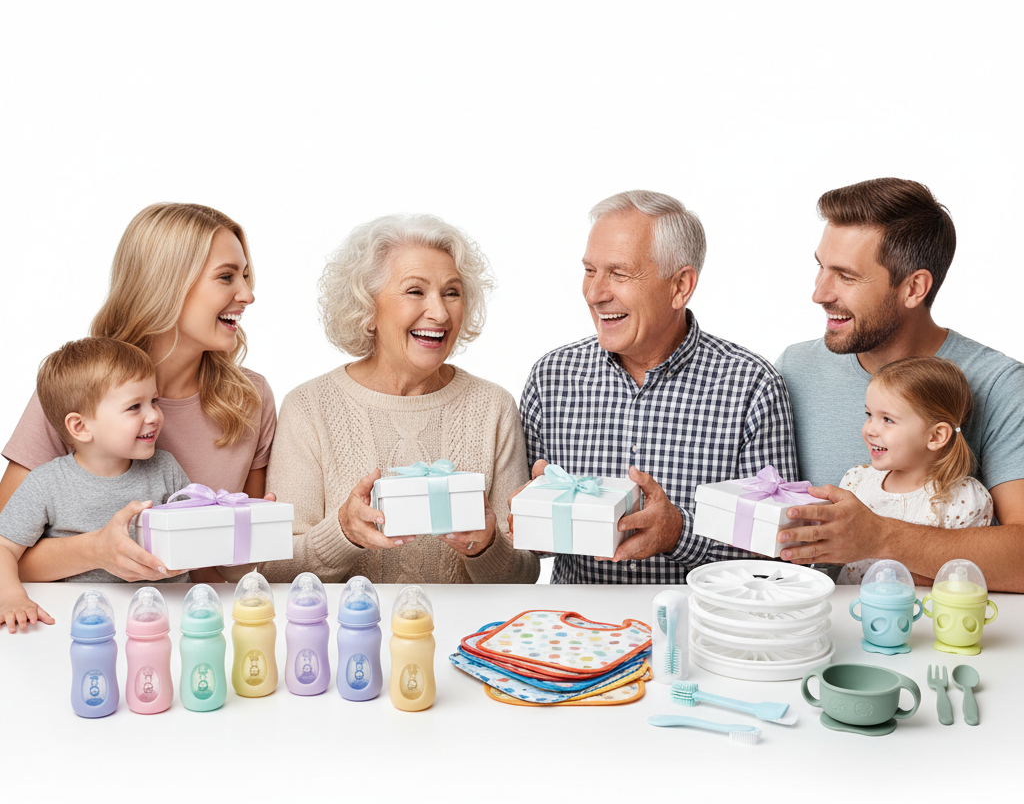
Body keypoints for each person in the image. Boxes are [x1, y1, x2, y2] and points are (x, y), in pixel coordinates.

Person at [518, 190, 798, 584]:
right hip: (577, 631)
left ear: (680, 286)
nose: (595, 293)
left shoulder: (751, 386)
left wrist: (679, 534)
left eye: (618, 273)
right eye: (589, 270)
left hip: (699, 628)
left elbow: (777, 558)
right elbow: (525, 541)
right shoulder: (552, 377)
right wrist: (533, 522)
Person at [1, 202, 276, 586]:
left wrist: (252, 536)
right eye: (226, 277)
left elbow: (227, 569)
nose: (247, 295)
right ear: (167, 284)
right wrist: (96, 550)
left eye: (245, 276)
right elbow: (5, 555)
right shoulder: (79, 388)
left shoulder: (250, 398)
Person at [259, 214, 539, 585]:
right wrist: (343, 533)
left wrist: (487, 547)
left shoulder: (493, 408)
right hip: (351, 638)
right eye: (415, 291)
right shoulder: (309, 407)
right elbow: (274, 571)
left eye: (451, 292)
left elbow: (525, 575)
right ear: (368, 308)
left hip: (467, 639)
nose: (439, 313)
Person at [775, 178, 1024, 591]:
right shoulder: (793, 368)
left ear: (914, 288)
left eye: (846, 276)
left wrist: (879, 536)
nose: (819, 293)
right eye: (820, 266)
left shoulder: (1000, 385)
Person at [1, 339, 191, 632]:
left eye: (154, 401)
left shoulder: (166, 468)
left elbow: (196, 531)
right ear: (80, 427)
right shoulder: (46, 484)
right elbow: (3, 547)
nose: (154, 416)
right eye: (134, 407)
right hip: (83, 618)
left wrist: (242, 517)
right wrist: (11, 596)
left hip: (170, 614)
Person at [837, 357, 993, 584]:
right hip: (849, 611)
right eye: (869, 415)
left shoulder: (963, 500)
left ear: (936, 436)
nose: (870, 429)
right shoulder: (856, 482)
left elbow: (966, 577)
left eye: (887, 419)